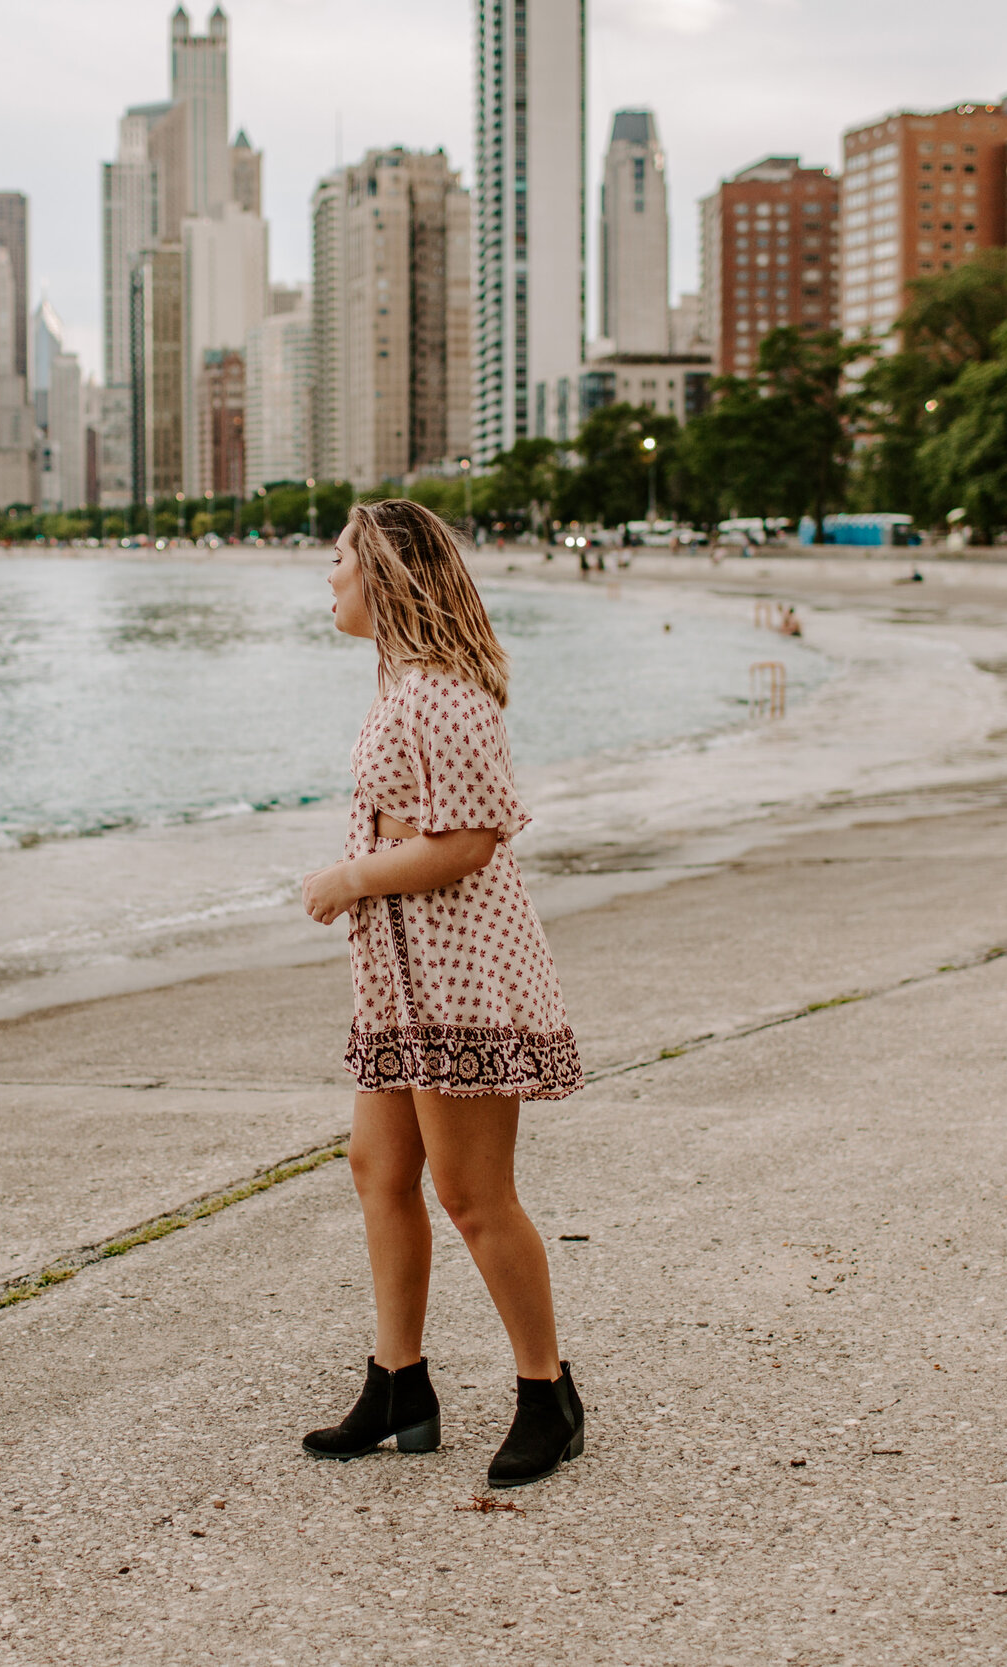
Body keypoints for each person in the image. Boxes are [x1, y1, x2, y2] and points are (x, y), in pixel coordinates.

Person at [298, 499, 587, 1490]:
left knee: (472, 1194)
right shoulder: (403, 687)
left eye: (336, 559)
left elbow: (467, 843)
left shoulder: (440, 695)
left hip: (458, 975)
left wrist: (349, 879)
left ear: (381, 569)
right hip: (402, 980)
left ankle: (547, 1391)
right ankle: (398, 1380)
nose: (326, 577)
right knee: (377, 1169)